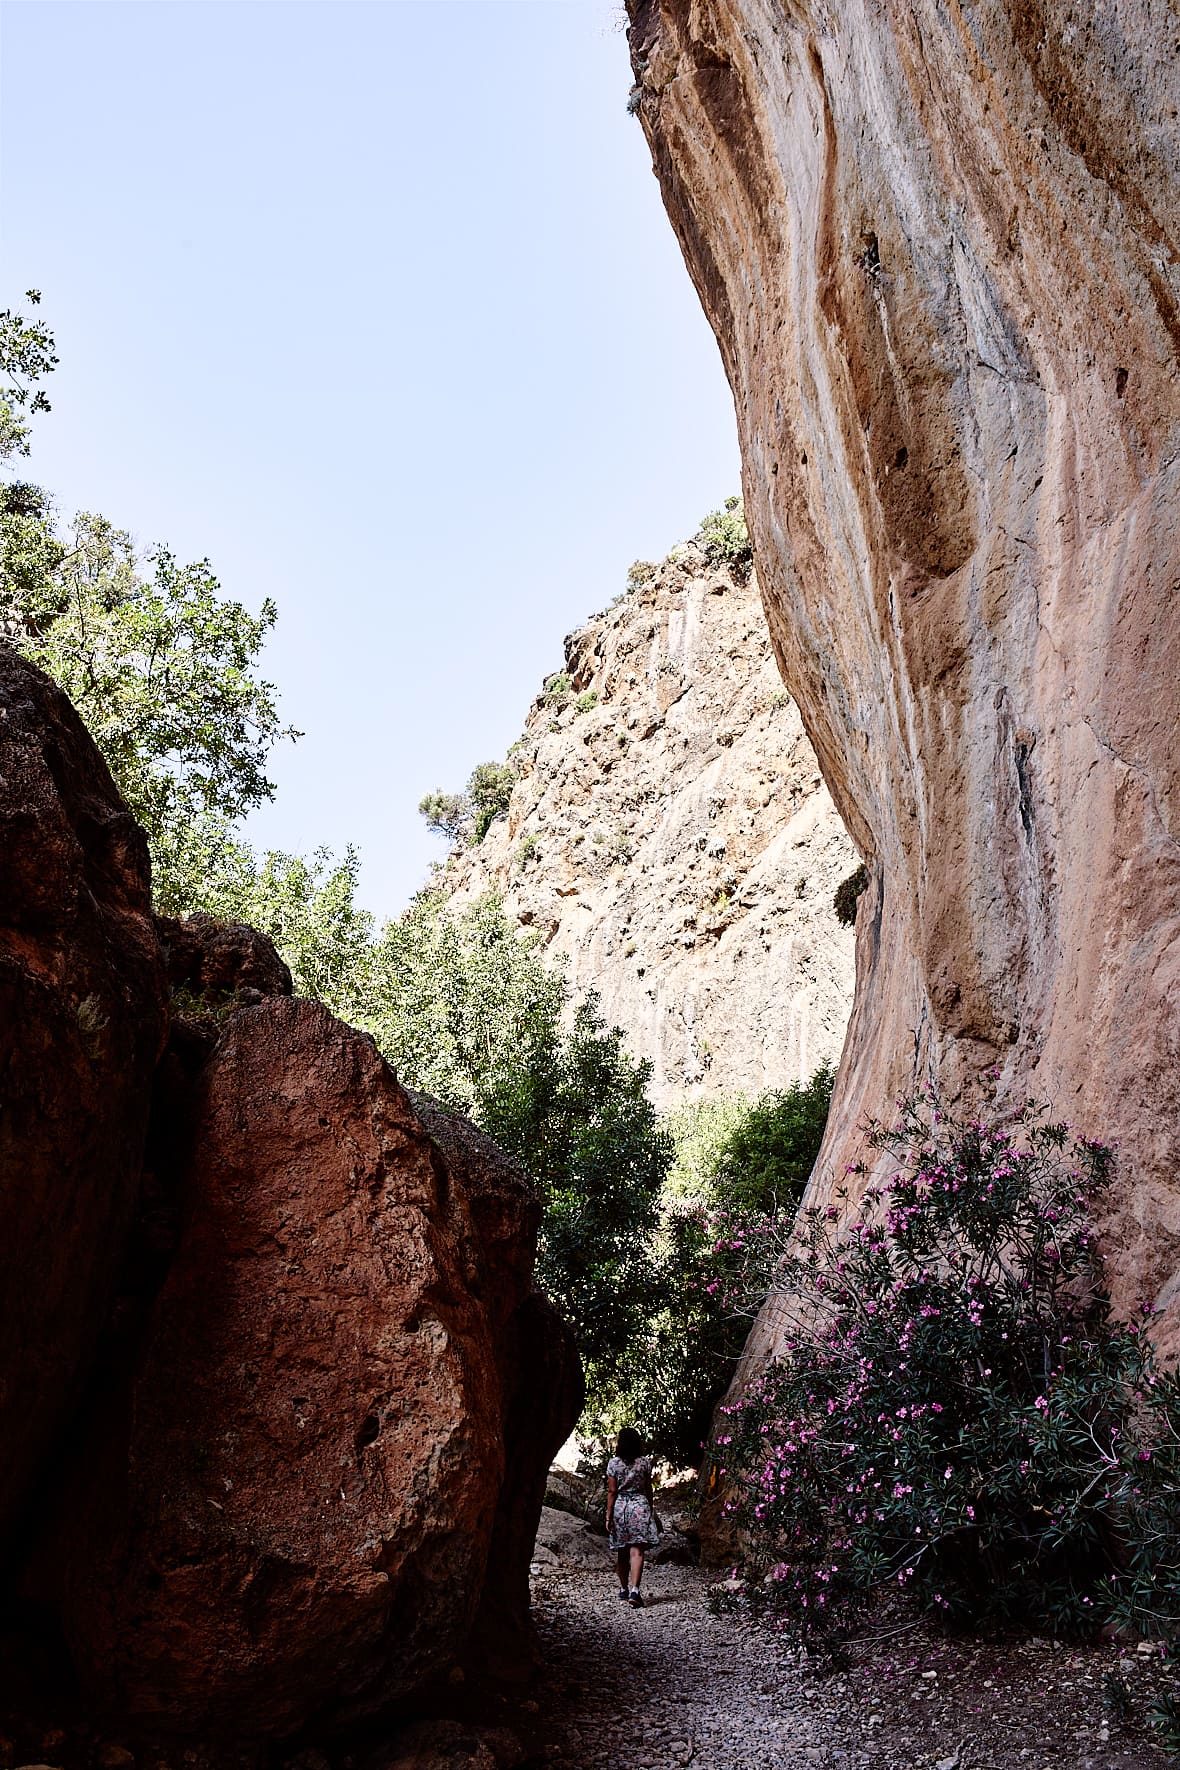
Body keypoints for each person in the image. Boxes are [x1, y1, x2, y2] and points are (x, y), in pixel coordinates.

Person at [605, 1426, 660, 1607]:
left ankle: (623, 1589)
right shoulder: (644, 1463)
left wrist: (608, 1516)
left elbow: (612, 1491)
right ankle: (635, 1591)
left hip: (620, 1508)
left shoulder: (613, 1464)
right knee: (637, 1550)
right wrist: (650, 1508)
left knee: (622, 1551)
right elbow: (647, 1488)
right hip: (640, 1506)